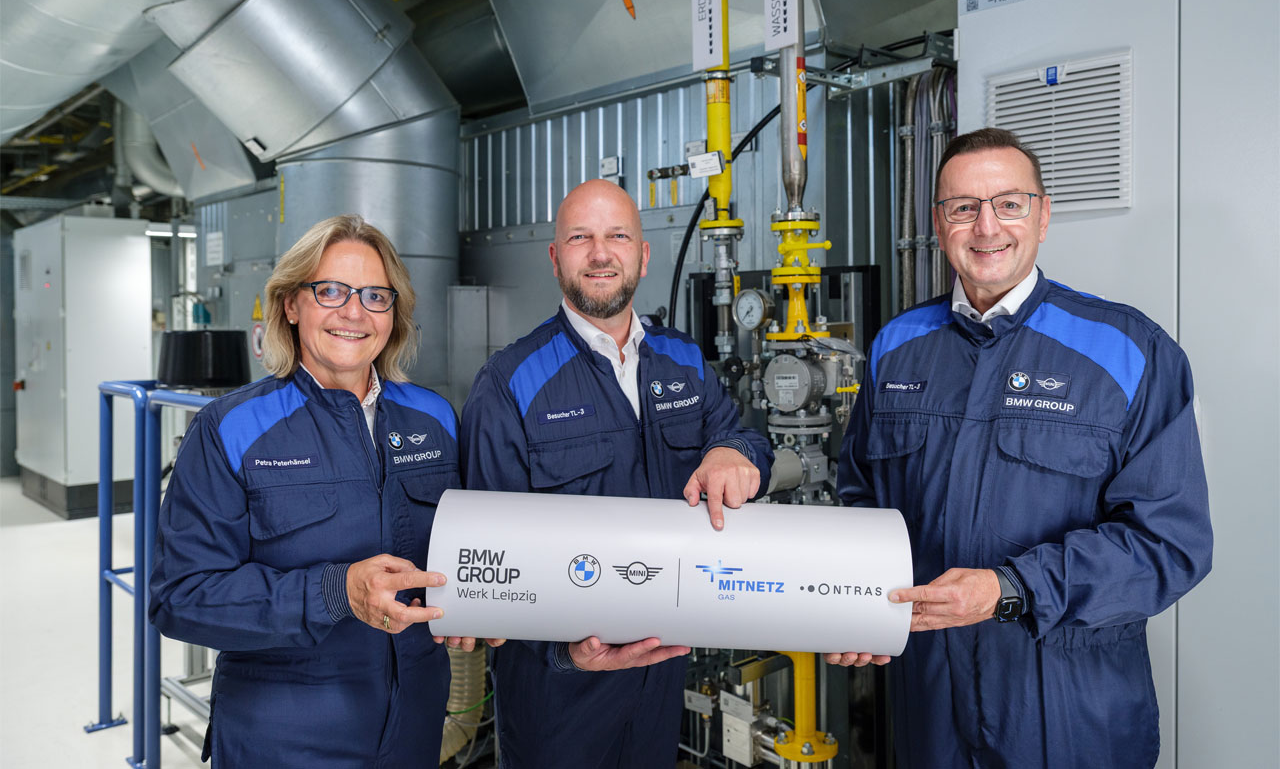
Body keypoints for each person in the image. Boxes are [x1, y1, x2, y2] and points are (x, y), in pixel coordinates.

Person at [828, 128, 1213, 767]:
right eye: (963, 207)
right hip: (931, 705)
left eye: (1009, 204)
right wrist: (858, 610)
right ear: (939, 223)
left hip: (1071, 709)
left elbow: (1170, 543)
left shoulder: (1129, 351)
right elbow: (862, 502)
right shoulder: (897, 345)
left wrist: (1011, 589)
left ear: (1043, 216)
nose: (987, 227)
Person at [460, 179, 773, 768]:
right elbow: (486, 559)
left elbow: (745, 438)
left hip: (660, 673)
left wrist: (733, 451)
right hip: (558, 692)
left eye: (618, 237)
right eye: (580, 238)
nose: (600, 254)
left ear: (643, 255)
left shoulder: (683, 360)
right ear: (555, 257)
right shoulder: (509, 382)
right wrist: (564, 652)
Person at [150, 214, 477, 767]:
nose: (354, 312)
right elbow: (180, 597)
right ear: (291, 305)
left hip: (413, 728)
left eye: (375, 296)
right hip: (283, 736)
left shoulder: (435, 417)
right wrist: (335, 592)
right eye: (330, 291)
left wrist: (477, 609)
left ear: (393, 314)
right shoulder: (231, 429)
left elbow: (466, 550)